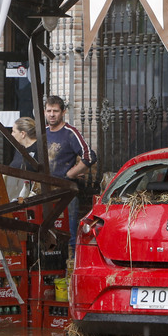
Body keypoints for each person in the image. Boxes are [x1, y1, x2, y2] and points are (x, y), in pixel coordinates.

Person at [43, 95, 95, 254]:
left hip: (66, 192)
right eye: (49, 111)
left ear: (63, 112)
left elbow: (89, 156)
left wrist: (72, 173)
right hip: (45, 192)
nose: (52, 115)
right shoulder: (43, 132)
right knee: (47, 231)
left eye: (56, 111)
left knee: (70, 233)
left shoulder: (70, 132)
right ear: (44, 112)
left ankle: (72, 269)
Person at [8, 116, 39, 200]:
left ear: (23, 134)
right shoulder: (19, 148)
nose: (12, 134)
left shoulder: (39, 149)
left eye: (14, 131)